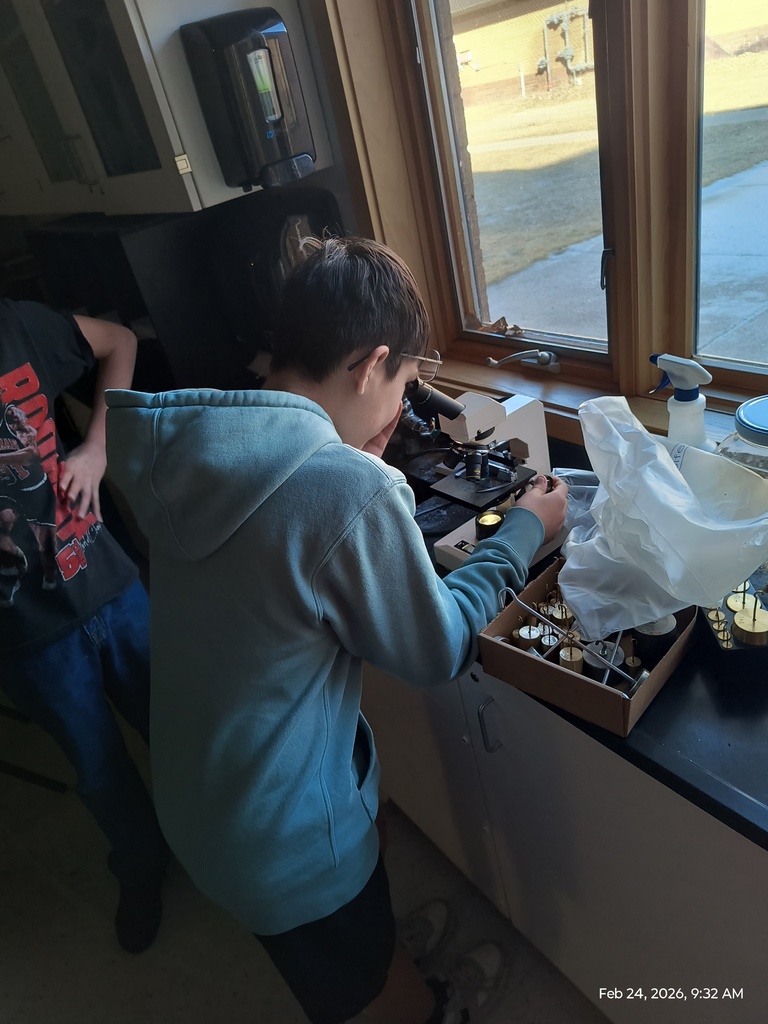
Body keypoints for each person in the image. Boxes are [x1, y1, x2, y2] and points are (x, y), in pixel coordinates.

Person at [105, 236, 568, 1023]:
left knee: (353, 929)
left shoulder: (188, 446)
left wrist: (359, 450)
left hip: (207, 798)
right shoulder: (346, 489)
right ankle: (427, 1007)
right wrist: (523, 531)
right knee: (360, 994)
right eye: (404, 385)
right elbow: (438, 649)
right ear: (369, 365)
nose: (399, 407)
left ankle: (380, 948)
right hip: (283, 844)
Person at [0, 298, 169, 954]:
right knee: (99, 771)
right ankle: (142, 867)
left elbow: (119, 342)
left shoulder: (16, 326)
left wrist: (100, 443)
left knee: (175, 726)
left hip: (111, 586)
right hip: (29, 634)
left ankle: (210, 839)